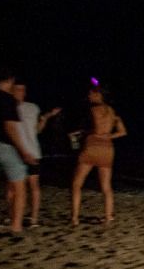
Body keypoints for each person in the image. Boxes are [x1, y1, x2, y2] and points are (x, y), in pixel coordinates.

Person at [0, 69, 36, 236]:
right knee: (19, 188)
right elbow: (9, 127)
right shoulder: (7, 100)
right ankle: (16, 226)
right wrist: (23, 151)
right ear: (9, 81)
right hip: (4, 147)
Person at [69, 84, 127, 227]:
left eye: (91, 94)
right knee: (106, 187)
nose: (88, 96)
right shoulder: (112, 111)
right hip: (107, 150)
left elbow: (93, 128)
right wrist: (109, 136)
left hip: (92, 147)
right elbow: (123, 132)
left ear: (98, 95)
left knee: (76, 184)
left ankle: (75, 218)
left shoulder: (92, 110)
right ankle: (108, 217)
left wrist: (82, 133)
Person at [11, 79, 60, 226]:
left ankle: (34, 218)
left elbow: (37, 130)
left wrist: (45, 118)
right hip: (14, 153)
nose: (21, 93)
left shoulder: (32, 107)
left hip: (32, 151)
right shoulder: (7, 107)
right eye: (18, 90)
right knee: (12, 187)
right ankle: (11, 216)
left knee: (34, 186)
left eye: (23, 90)